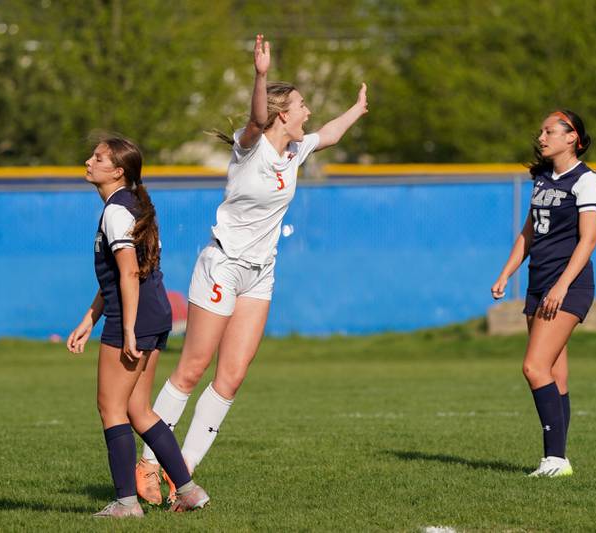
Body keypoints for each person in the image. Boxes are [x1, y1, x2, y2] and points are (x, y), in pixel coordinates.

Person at [134, 34, 369, 503]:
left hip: (260, 273)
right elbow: (257, 119)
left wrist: (359, 108)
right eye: (301, 106)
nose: (307, 113)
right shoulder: (253, 146)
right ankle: (148, 461)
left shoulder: (295, 152)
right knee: (193, 368)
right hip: (222, 266)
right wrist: (260, 74)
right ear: (283, 114)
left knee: (233, 376)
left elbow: (332, 134)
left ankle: (183, 476)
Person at [67, 136, 209, 516]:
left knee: (110, 407)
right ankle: (189, 490)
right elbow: (119, 276)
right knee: (138, 409)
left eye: (97, 158)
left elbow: (129, 272)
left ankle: (126, 504)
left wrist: (127, 329)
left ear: (117, 171)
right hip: (155, 312)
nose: (88, 162)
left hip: (137, 317)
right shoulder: (132, 205)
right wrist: (89, 318)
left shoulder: (116, 211)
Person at [491, 110, 596, 477]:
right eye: (540, 131)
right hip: (538, 283)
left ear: (572, 138)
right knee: (555, 375)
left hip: (566, 286)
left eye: (549, 131)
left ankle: (556, 460)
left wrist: (560, 286)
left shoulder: (587, 182)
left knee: (533, 367)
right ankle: (556, 460)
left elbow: (588, 241)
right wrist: (506, 273)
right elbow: (528, 232)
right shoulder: (542, 179)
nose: (541, 137)